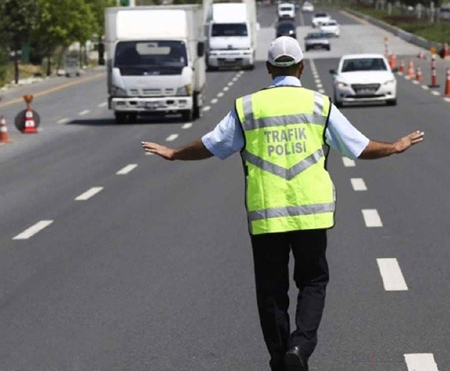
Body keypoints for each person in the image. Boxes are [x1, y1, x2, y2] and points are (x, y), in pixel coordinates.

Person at [141, 36, 425, 371]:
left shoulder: (249, 107)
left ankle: (280, 359)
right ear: (302, 67)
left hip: (267, 214)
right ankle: (300, 347)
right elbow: (357, 146)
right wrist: (394, 146)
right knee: (313, 282)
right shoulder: (319, 105)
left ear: (269, 68)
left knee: (271, 291)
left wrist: (174, 154)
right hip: (312, 213)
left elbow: (212, 145)